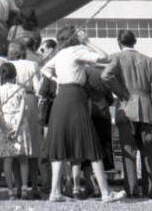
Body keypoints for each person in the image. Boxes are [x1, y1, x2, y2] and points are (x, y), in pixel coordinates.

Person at [42, 25, 124, 203]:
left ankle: (55, 192)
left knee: (58, 145)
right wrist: (87, 41)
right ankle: (105, 192)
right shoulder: (77, 50)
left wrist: (57, 81)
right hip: (76, 97)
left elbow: (45, 70)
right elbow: (105, 57)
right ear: (74, 38)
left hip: (61, 97)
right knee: (90, 144)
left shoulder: (59, 54)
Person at [102, 29, 152, 199]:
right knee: (149, 153)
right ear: (135, 42)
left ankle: (132, 190)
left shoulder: (116, 57)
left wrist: (121, 93)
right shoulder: (148, 61)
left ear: (119, 42)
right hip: (147, 109)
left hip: (126, 108)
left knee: (128, 151)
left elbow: (106, 75)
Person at [7, 41, 42, 198]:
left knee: (15, 147)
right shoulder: (32, 65)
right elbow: (39, 88)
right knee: (32, 147)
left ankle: (18, 186)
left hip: (10, 101)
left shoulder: (6, 64)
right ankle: (33, 186)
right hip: (29, 99)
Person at [0, 62, 33, 200]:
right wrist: (16, 128)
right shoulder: (19, 89)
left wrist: (4, 127)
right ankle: (24, 189)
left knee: (7, 160)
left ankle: (10, 191)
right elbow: (23, 108)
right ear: (14, 74)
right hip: (19, 124)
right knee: (23, 159)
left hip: (5, 123)